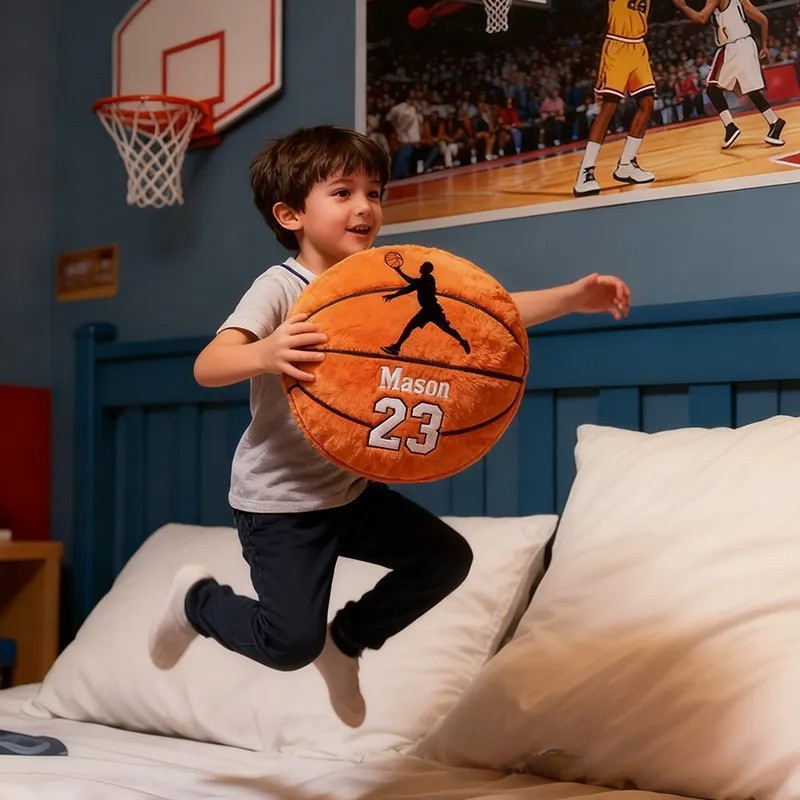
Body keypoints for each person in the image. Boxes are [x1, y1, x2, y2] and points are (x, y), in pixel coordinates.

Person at [147, 125, 632, 729]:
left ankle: (346, 640)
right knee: (288, 643)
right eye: (343, 192)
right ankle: (198, 603)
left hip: (348, 492)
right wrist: (266, 351)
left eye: (374, 192)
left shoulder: (378, 278)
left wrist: (570, 297)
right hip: (281, 503)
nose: (364, 207)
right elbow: (208, 365)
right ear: (290, 213)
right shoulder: (281, 287)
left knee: (445, 560)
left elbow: (485, 314)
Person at [672, 0, 786, 148]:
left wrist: (682, 6)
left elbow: (701, 18)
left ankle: (731, 127)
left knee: (713, 89)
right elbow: (763, 20)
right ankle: (775, 122)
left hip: (733, 46)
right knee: (750, 90)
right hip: (747, 44)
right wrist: (764, 45)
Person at [574, 0, 657, 197]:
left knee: (647, 104)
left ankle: (626, 164)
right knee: (609, 108)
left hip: (639, 47)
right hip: (617, 45)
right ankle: (585, 172)